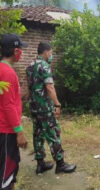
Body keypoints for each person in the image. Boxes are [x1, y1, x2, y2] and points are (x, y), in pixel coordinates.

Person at [26, 42, 76, 174]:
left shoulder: (30, 66)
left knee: (37, 135)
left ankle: (40, 164)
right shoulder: (45, 66)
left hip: (34, 107)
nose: (51, 55)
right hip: (44, 107)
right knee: (53, 133)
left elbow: (30, 88)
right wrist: (57, 104)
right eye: (51, 53)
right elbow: (49, 87)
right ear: (46, 52)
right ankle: (60, 164)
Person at [0, 34, 28, 190]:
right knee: (8, 172)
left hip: (3, 129)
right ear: (16, 51)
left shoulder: (2, 69)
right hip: (6, 131)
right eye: (20, 50)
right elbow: (8, 105)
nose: (21, 53)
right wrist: (19, 131)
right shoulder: (8, 73)